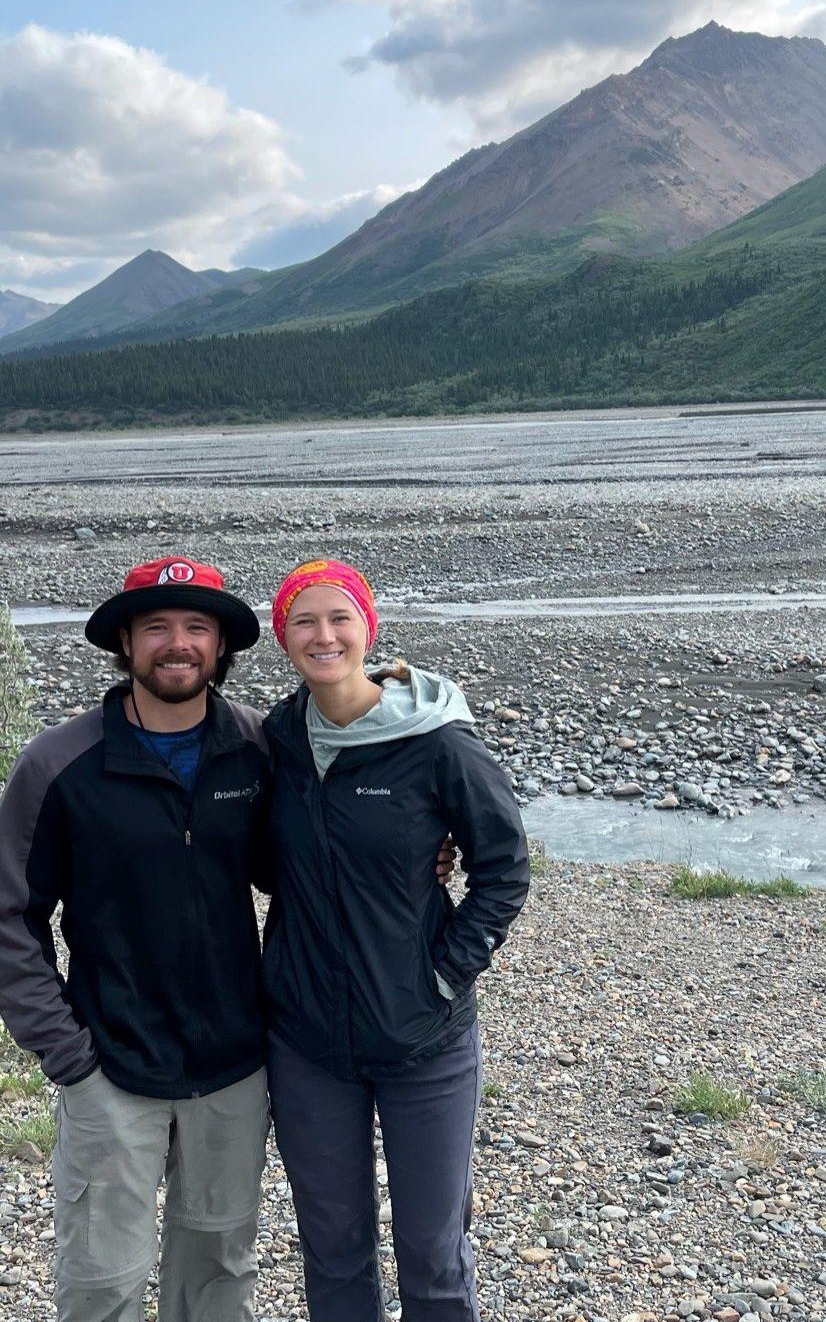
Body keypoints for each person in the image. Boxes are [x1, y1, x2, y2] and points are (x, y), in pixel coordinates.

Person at [0, 555, 274, 1322]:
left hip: (234, 1066)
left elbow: (309, 863)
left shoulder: (258, 749)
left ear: (220, 645)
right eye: (156, 627)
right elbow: (9, 915)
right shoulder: (59, 763)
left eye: (196, 627)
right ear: (125, 643)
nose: (178, 644)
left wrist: (428, 843)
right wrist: (67, 1055)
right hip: (108, 1066)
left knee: (218, 1272)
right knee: (102, 1280)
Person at [260, 557, 531, 1322]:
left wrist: (442, 974)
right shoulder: (276, 741)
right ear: (283, 636)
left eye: (339, 618)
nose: (324, 635)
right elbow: (260, 859)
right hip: (308, 1042)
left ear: (367, 628)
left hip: (424, 1039)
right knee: (333, 1248)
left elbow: (504, 868)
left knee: (432, 1253)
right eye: (304, 621)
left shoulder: (439, 742)